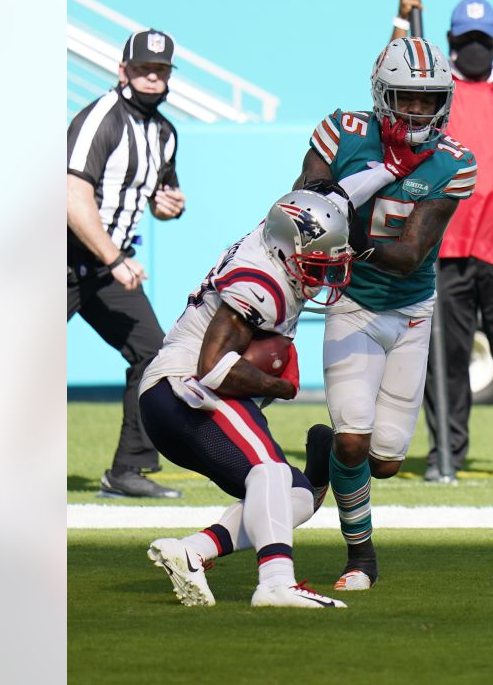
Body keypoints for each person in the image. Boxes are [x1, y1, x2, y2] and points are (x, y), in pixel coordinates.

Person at [294, 37, 477, 590]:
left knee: (387, 459)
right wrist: (331, 204)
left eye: (429, 100)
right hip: (352, 300)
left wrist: (341, 224)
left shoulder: (453, 162)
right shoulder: (344, 132)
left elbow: (407, 256)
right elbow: (304, 201)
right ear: (381, 94)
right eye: (406, 97)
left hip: (412, 310)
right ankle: (361, 556)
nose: (419, 111)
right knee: (355, 433)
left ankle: (327, 453)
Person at [137, 186, 354, 608]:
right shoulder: (262, 284)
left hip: (179, 399)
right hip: (183, 387)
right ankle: (275, 583)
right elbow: (213, 367)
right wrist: (280, 386)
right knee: (270, 472)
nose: (323, 277)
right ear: (286, 251)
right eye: (314, 265)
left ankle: (193, 552)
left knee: (297, 495)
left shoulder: (275, 237)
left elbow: (313, 192)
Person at [391, 0, 493, 482]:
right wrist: (400, 21)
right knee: (446, 358)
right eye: (465, 39)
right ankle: (447, 456)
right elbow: (390, 98)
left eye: (483, 39)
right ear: (450, 41)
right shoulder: (437, 93)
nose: (473, 48)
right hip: (444, 242)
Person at [67, 29, 188, 498]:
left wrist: (167, 205)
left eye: (160, 70)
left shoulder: (163, 133)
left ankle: (127, 471)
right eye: (143, 69)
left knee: (153, 356)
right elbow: (72, 195)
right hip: (63, 254)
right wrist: (114, 256)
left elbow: (158, 197)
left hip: (105, 267)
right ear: (123, 71)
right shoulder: (103, 117)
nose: (152, 78)